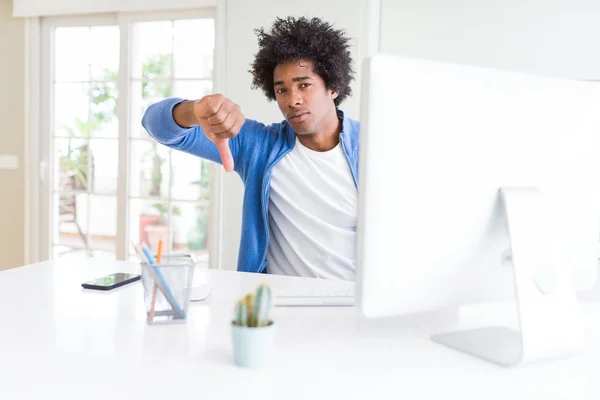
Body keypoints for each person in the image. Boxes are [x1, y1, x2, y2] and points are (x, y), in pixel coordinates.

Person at [142, 16, 359, 280]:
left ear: (333, 86)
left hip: (355, 305)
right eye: (282, 90)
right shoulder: (260, 147)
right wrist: (195, 110)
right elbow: (156, 124)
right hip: (276, 308)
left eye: (304, 85)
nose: (293, 100)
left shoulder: (374, 147)